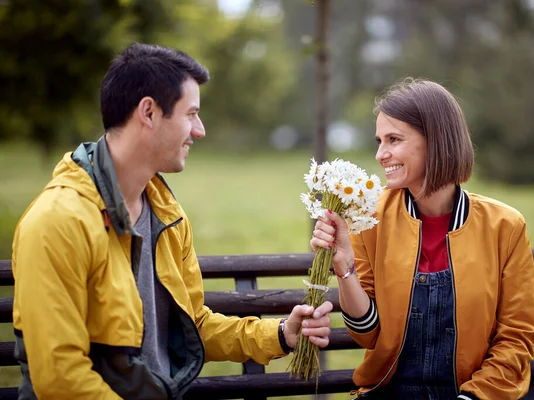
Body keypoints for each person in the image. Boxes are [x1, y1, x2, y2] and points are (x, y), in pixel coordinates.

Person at [11, 43, 332, 399]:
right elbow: (59, 378)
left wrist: (280, 333)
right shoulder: (58, 221)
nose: (200, 130)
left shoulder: (166, 214)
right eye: (191, 113)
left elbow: (192, 325)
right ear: (148, 112)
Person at [311, 78, 534, 399]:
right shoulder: (368, 218)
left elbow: (517, 338)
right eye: (379, 140)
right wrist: (345, 268)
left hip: (480, 393)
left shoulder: (505, 226)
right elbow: (367, 335)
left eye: (393, 139)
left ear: (436, 140)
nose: (380, 154)